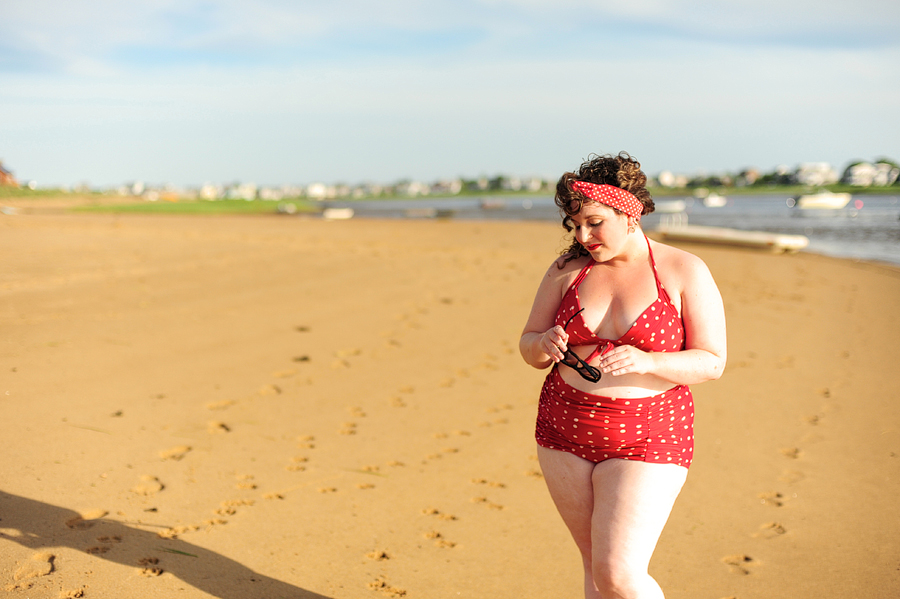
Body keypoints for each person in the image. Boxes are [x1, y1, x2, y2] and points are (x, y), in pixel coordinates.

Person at [519, 152, 727, 599]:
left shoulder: (683, 269)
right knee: (595, 569)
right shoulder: (566, 271)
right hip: (563, 428)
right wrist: (544, 344)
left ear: (628, 211)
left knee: (618, 572)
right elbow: (529, 345)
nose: (583, 235)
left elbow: (712, 361)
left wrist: (649, 361)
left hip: (649, 432)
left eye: (594, 222)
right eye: (574, 225)